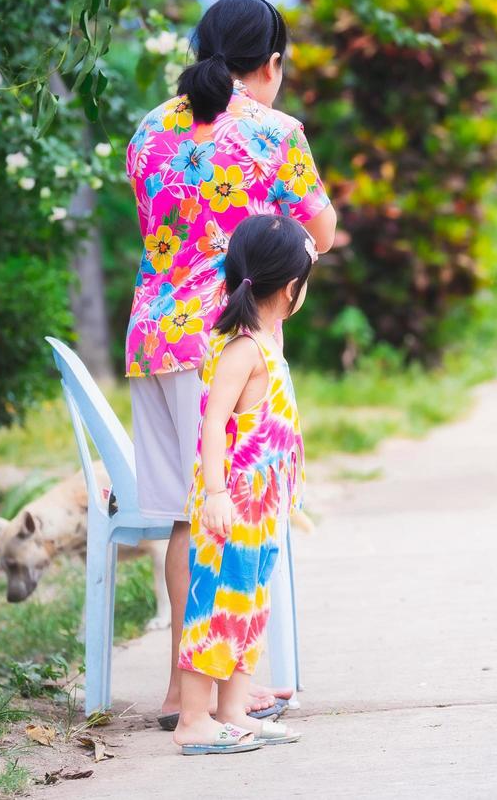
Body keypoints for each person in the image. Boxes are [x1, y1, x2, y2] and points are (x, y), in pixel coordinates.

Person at [122, 0, 336, 730]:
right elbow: (323, 230)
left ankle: (193, 692)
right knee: (225, 510)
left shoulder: (151, 127)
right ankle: (205, 699)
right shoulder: (275, 132)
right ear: (272, 64)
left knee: (189, 514)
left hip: (152, 338)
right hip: (224, 341)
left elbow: (157, 226)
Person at [173, 214, 315, 754]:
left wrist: (300, 251)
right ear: (288, 287)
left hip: (260, 507)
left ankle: (233, 713)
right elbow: (213, 422)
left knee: (248, 605)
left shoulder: (265, 337)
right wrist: (214, 494)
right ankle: (193, 720)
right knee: (214, 606)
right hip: (230, 503)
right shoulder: (242, 348)